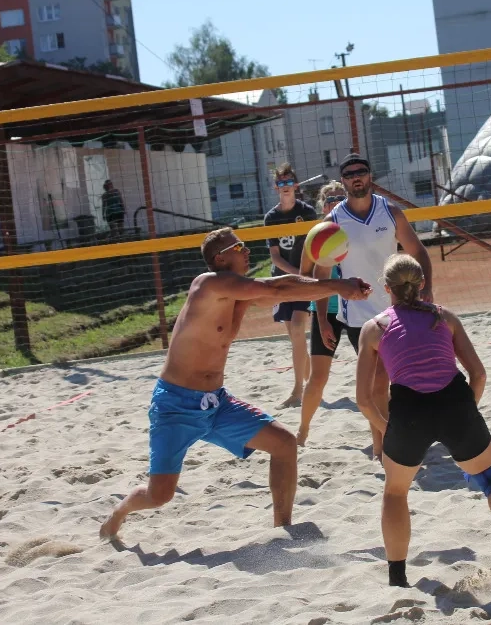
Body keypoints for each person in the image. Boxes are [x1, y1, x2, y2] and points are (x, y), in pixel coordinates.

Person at [99, 227, 371, 539]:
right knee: (159, 495)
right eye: (239, 247)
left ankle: (282, 530)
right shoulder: (208, 284)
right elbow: (276, 288)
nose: (247, 251)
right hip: (176, 406)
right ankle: (120, 512)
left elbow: (286, 289)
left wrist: (336, 287)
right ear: (219, 258)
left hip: (216, 403)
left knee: (284, 444)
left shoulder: (239, 294)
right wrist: (338, 286)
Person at [355, 254, 491, 587]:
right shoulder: (443, 316)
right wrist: (466, 411)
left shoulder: (374, 328)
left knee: (395, 492)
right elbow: (479, 374)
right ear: (422, 283)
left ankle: (398, 578)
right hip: (455, 403)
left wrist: (388, 430)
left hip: (409, 413)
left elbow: (364, 399)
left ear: (387, 288)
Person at [312, 153, 433, 461]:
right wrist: (323, 320)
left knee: (397, 382)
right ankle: (383, 447)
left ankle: (391, 442)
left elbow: (418, 251)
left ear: (369, 175)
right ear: (343, 181)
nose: (357, 177)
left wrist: (427, 287)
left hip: (398, 307)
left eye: (361, 171)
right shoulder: (332, 222)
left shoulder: (390, 212)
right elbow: (321, 276)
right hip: (359, 315)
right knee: (377, 384)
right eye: (350, 173)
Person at [263, 162, 319, 408]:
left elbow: (315, 246)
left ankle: (298, 391)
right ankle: (311, 382)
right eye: (281, 183)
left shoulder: (307, 212)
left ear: (295, 185)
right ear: (276, 187)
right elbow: (275, 257)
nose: (285, 186)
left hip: (304, 279)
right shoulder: (271, 217)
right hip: (283, 279)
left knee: (297, 329)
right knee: (295, 337)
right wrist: (296, 274)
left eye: (288, 182)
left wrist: (306, 275)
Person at [296, 181, 347, 446]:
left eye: (340, 198)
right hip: (326, 310)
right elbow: (304, 275)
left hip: (359, 308)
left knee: (378, 374)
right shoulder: (316, 236)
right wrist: (324, 287)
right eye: (330, 200)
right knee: (318, 377)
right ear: (322, 206)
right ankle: (303, 431)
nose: (336, 203)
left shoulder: (355, 230)